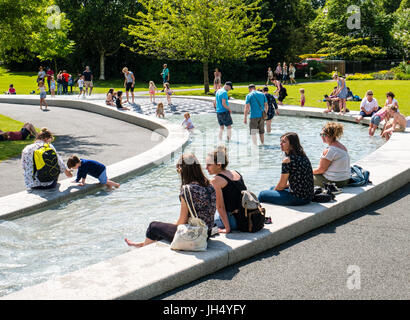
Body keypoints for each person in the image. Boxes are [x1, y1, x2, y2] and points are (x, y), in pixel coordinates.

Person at [124, 153, 216, 248]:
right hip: (206, 233)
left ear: (183, 170)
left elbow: (182, 221)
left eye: (178, 170)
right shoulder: (209, 185)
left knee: (153, 227)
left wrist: (171, 226)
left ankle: (142, 249)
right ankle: (143, 244)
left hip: (194, 235)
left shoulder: (187, 189)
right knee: (164, 229)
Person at [258, 132, 314, 206]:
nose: (281, 144)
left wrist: (275, 191)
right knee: (272, 188)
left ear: (291, 145)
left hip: (297, 198)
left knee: (262, 194)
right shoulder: (303, 156)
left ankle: (255, 214)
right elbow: (298, 180)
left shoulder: (287, 160)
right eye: (281, 141)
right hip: (308, 196)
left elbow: (281, 185)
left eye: (284, 142)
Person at [206, 146, 247, 233]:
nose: (206, 168)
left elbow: (220, 207)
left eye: (209, 164)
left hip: (234, 222)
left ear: (219, 165)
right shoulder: (235, 173)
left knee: (206, 216)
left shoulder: (215, 181)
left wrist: (227, 229)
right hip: (245, 216)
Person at [313, 122, 351, 188]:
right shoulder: (342, 147)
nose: (322, 137)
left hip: (334, 182)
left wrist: (308, 171)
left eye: (325, 135)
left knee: (303, 176)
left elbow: (321, 170)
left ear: (332, 136)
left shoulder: (330, 150)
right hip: (345, 180)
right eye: (321, 134)